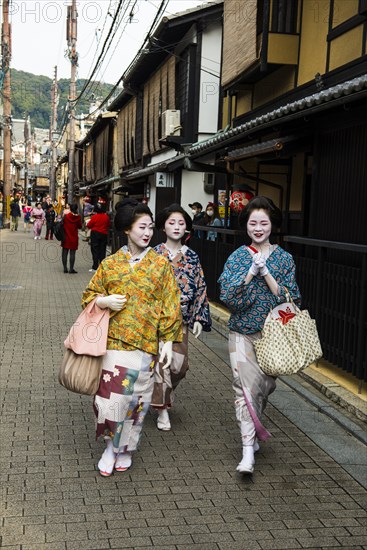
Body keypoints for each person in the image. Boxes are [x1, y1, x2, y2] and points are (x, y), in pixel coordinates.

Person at [81, 198, 182, 476]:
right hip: (113, 341)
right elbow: (88, 296)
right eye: (142, 227)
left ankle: (125, 448)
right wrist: (103, 301)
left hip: (147, 343)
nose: (148, 232)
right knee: (109, 399)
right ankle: (110, 446)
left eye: (151, 227)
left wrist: (168, 341)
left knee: (137, 400)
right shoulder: (110, 264)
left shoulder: (160, 265)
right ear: (127, 229)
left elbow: (170, 304)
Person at [218, 196, 301, 474]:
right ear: (246, 225)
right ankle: (246, 452)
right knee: (243, 388)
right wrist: (249, 273)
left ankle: (252, 430)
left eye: (263, 222)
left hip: (273, 336)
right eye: (253, 222)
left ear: (272, 225)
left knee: (263, 389)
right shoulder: (238, 256)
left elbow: (291, 301)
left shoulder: (285, 259)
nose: (258, 227)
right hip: (241, 331)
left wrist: (266, 274)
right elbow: (228, 297)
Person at [151, 204, 212, 430]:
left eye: (181, 222)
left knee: (180, 367)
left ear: (186, 227)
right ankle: (162, 410)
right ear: (163, 227)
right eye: (171, 222)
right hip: (157, 321)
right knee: (162, 364)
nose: (176, 226)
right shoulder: (154, 254)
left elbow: (200, 286)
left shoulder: (192, 257)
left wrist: (198, 317)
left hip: (182, 320)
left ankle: (162, 393)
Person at [86, 203, 110, 272]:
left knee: (95, 250)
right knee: (102, 250)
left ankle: (95, 267)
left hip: (95, 234)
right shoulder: (106, 217)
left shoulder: (94, 217)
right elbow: (108, 224)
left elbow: (89, 225)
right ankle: (102, 266)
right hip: (104, 234)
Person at [61, 204, 82, 273]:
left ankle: (65, 268)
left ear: (70, 209)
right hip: (74, 237)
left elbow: (62, 224)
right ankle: (71, 269)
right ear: (76, 209)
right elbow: (80, 226)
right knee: (72, 254)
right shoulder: (78, 217)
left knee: (64, 252)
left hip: (65, 237)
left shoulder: (66, 217)